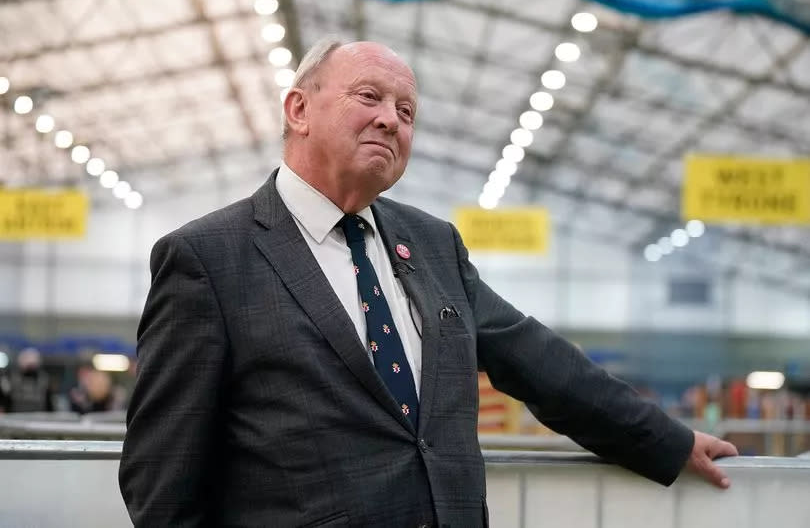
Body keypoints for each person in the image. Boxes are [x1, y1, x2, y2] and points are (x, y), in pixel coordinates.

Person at [119, 38, 738, 527]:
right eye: (369, 97)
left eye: (406, 111)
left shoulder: (434, 244)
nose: (391, 121)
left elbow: (534, 360)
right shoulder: (206, 258)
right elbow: (162, 474)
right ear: (298, 109)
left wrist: (667, 441)